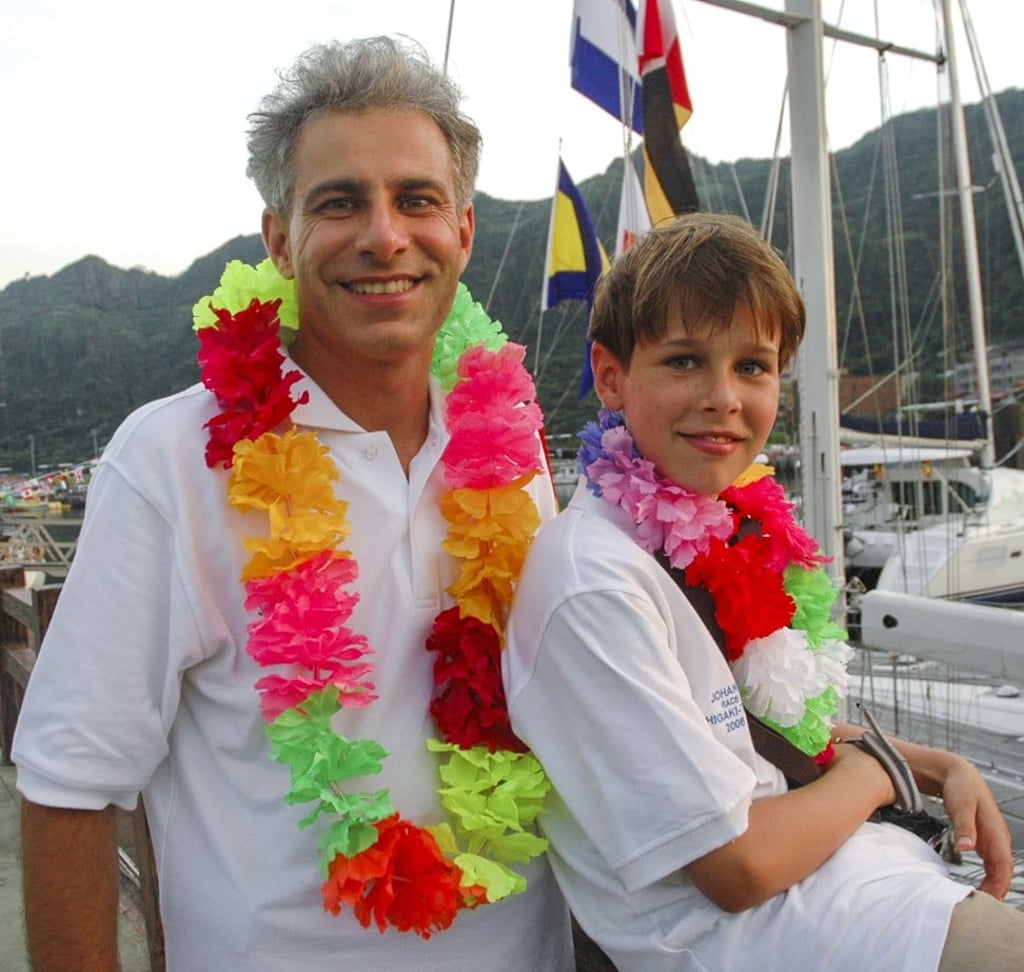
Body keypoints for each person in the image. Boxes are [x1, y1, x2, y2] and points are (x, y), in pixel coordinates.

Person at [13, 36, 573, 970]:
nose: (384, 236)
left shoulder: (509, 448)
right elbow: (70, 787)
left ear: (464, 232)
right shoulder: (169, 461)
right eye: (339, 201)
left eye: (417, 199)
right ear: (280, 237)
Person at [502, 212, 1024, 970]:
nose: (723, 397)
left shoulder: (708, 536)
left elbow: (760, 736)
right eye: (684, 361)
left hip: (870, 894)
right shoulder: (592, 583)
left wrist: (938, 766)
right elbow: (735, 868)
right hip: (788, 942)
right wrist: (880, 773)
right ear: (611, 375)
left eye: (753, 366)